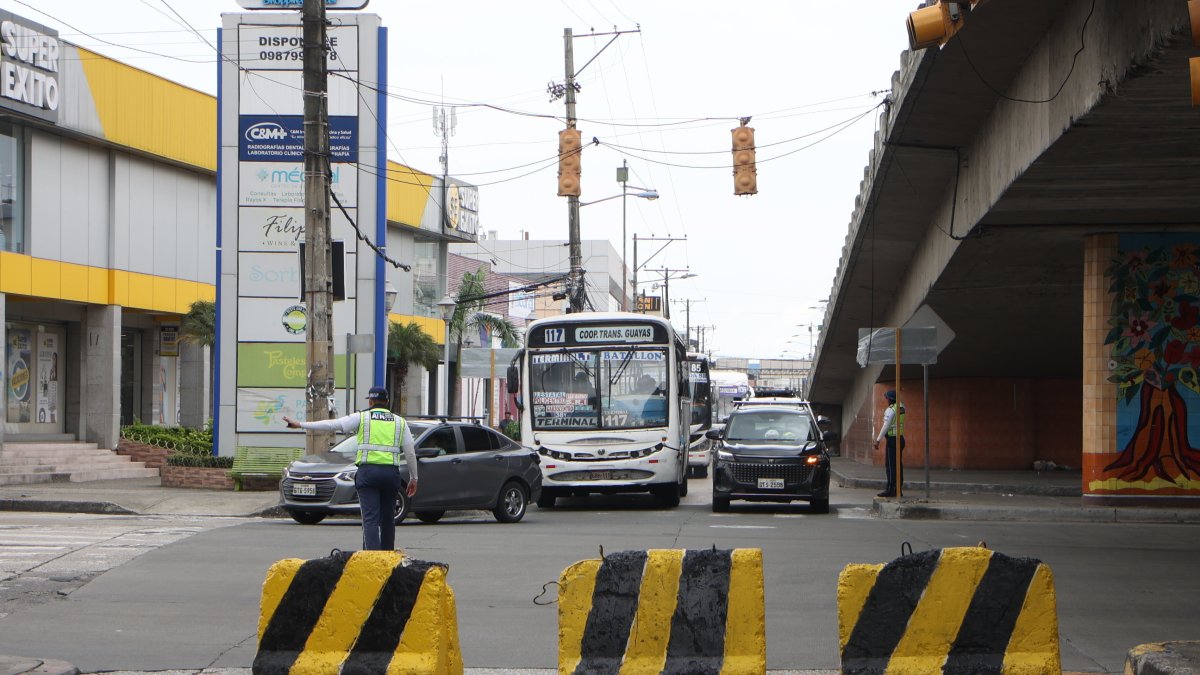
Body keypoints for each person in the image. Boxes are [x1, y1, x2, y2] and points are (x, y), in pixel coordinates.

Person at [283, 386, 418, 551]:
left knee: (370, 519)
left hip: (368, 474)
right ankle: (388, 558)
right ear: (387, 401)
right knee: (388, 518)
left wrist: (300, 424)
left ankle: (371, 560)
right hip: (390, 475)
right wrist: (414, 478)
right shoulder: (399, 421)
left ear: (370, 401)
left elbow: (333, 424)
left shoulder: (362, 417)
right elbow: (410, 454)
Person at [873, 389, 906, 498]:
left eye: (887, 398)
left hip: (892, 440)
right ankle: (898, 489)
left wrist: (878, 440)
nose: (886, 400)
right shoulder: (902, 407)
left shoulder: (890, 410)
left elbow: (886, 426)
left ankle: (891, 489)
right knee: (898, 465)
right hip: (900, 438)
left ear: (890, 399)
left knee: (891, 466)